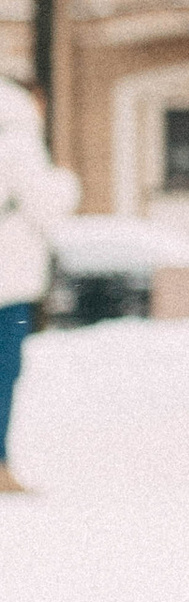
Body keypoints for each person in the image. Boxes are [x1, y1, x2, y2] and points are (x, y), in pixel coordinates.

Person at [0, 77, 80, 496]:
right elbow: (46, 203)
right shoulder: (17, 140)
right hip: (8, 279)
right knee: (4, 370)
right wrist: (67, 183)